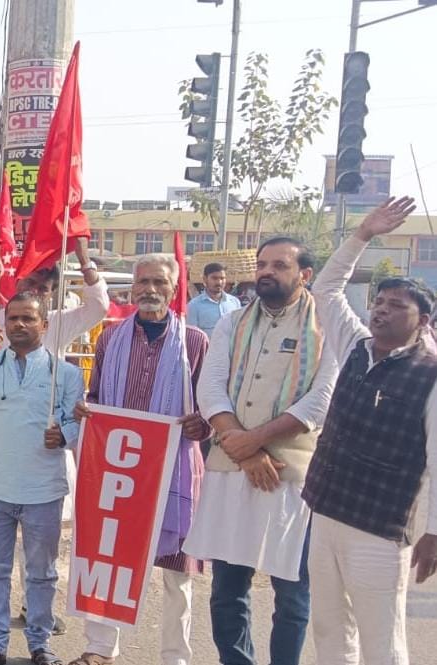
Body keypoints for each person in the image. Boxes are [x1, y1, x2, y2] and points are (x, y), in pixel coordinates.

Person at [183, 236, 338, 665]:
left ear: (305, 274)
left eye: (279, 265)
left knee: (292, 591)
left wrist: (254, 440)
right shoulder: (233, 322)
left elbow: (323, 399)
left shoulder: (327, 326)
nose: (267, 272)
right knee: (227, 589)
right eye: (262, 264)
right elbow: (210, 388)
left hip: (291, 474)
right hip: (233, 468)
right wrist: (246, 450)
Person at [304, 196, 437, 665]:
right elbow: (326, 289)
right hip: (326, 510)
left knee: (383, 641)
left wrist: (433, 533)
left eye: (396, 305)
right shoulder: (355, 345)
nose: (381, 310)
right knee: (330, 630)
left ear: (423, 321)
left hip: (380, 528)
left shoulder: (430, 375)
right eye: (379, 302)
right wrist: (362, 235)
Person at [68, 254, 212, 665]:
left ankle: (175, 657)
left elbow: (210, 405)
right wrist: (86, 412)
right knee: (109, 559)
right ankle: (100, 648)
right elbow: (97, 396)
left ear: (174, 289)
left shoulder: (195, 343)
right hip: (120, 470)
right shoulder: (109, 339)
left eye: (159, 282)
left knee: (177, 574)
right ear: (132, 288)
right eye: (143, 281)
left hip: (174, 469)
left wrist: (201, 424)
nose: (150, 289)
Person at [0, 291, 82, 665]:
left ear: (45, 324)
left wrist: (65, 434)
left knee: (42, 573)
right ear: (4, 324)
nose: (19, 324)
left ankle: (40, 644)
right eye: (13, 318)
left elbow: (80, 425)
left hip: (44, 490)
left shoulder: (66, 374)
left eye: (28, 318)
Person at [187, 262, 241, 337]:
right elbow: (191, 336)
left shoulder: (234, 302)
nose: (219, 282)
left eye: (222, 278)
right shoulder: (194, 306)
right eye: (214, 278)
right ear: (205, 279)